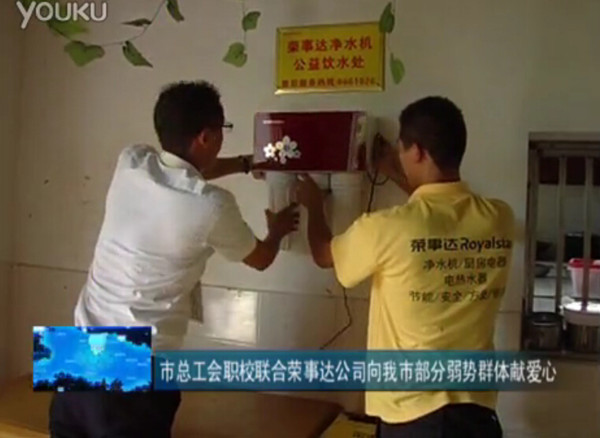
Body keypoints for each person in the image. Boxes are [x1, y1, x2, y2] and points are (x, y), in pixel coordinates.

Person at [49, 81, 299, 438]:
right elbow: (260, 259)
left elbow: (182, 171)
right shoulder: (212, 206)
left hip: (75, 353)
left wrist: (246, 164)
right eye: (223, 130)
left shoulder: (131, 162)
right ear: (206, 137)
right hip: (136, 371)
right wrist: (276, 230)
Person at [295, 96, 515, 438]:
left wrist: (313, 205)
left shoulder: (385, 228)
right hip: (478, 416)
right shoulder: (499, 218)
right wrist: (393, 172)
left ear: (418, 152)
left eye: (401, 149)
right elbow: (437, 207)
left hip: (414, 420)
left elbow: (324, 254)